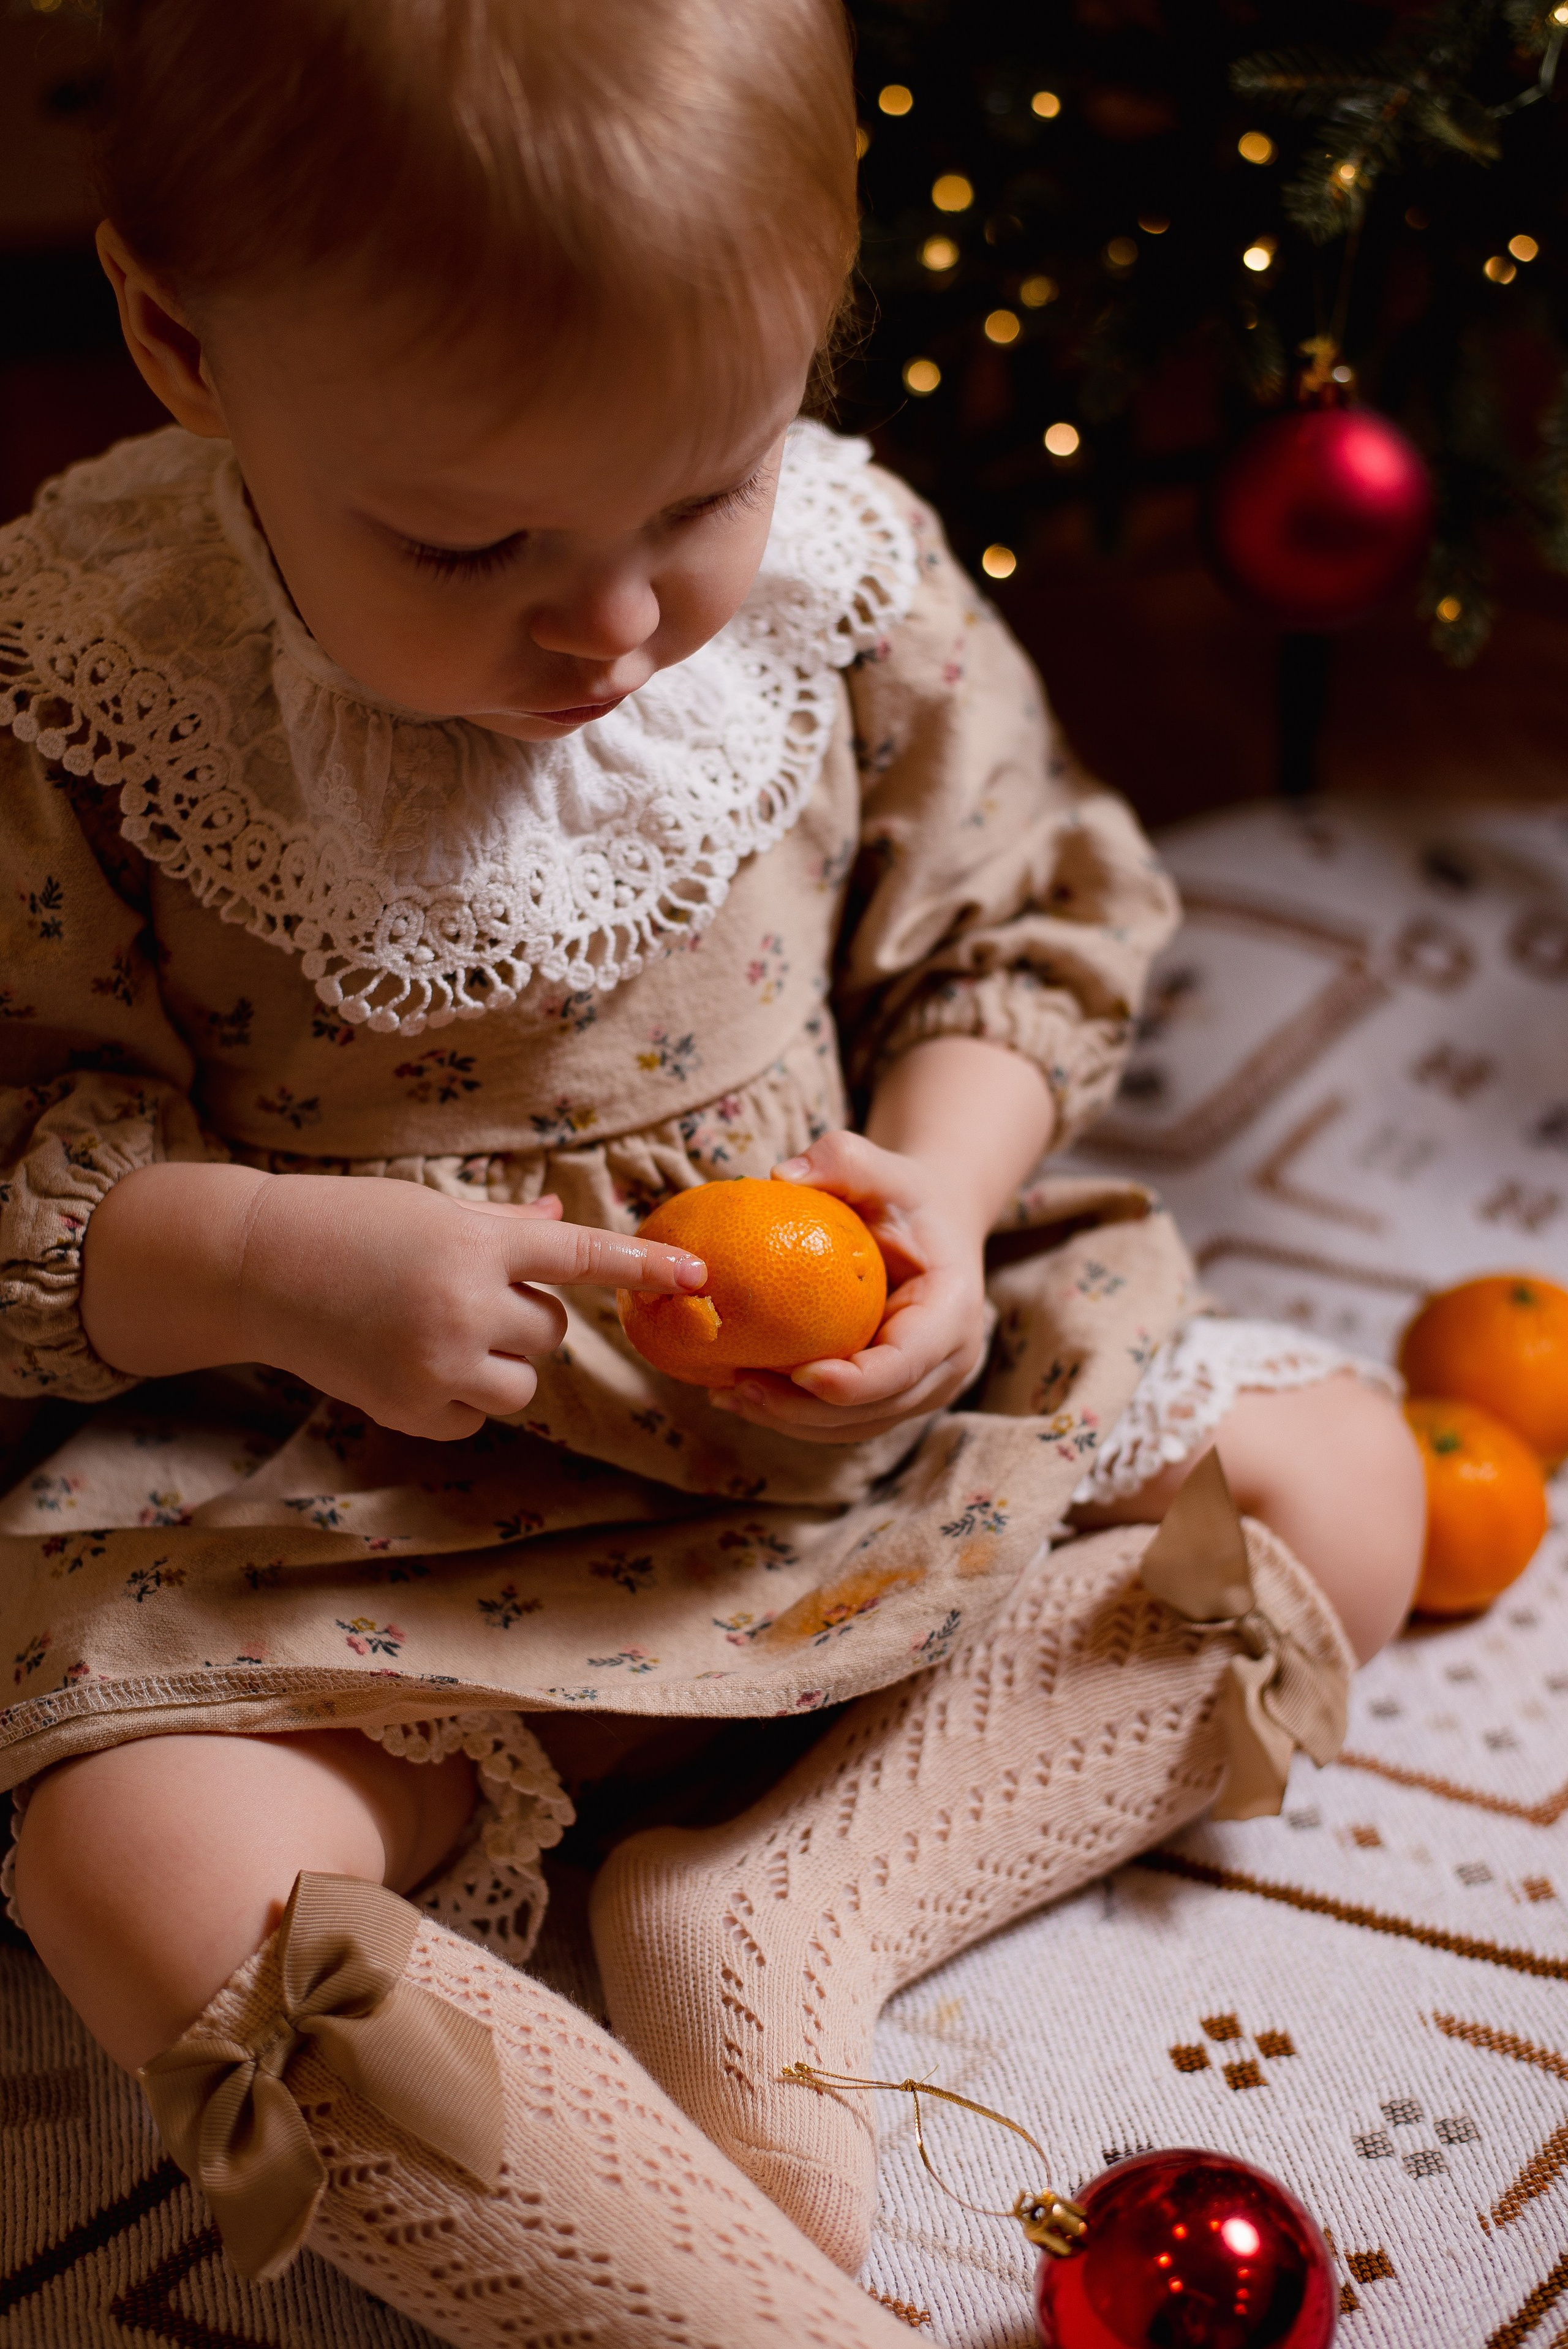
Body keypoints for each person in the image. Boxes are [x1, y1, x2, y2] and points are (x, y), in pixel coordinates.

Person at [0, 2, 1427, 2340]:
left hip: (831, 1483)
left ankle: (789, 1909)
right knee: (134, 1861)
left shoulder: (837, 588)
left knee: (1338, 1483)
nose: (620, 620)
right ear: (181, 337)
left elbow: (1014, 924)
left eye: (703, 489)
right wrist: (259, 1258)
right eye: (471, 537)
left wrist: (944, 1207)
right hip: (347, 1549)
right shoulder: (88, 683)